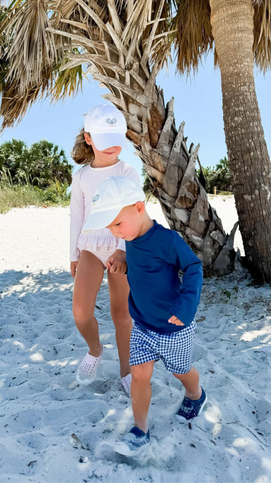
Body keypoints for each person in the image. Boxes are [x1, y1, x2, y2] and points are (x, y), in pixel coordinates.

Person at [82, 175, 206, 454]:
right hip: (143, 326)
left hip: (175, 327)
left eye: (117, 223)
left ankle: (195, 394)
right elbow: (139, 262)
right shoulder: (129, 239)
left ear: (139, 207)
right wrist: (123, 260)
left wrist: (186, 306)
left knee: (180, 371)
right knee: (139, 375)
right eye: (109, 226)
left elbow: (194, 267)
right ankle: (140, 429)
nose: (114, 231)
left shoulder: (167, 240)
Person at [70, 104, 140, 396]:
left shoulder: (128, 172)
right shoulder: (81, 177)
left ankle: (126, 370)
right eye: (104, 137)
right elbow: (77, 215)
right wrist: (73, 254)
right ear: (89, 138)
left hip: (121, 246)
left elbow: (136, 214)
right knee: (81, 312)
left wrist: (124, 250)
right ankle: (95, 349)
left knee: (121, 314)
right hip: (90, 247)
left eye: (117, 137)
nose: (113, 145)